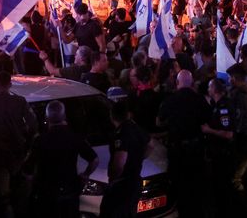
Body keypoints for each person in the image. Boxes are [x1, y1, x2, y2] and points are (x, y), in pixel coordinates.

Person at [26, 101, 98, 218]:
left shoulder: (40, 140)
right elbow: (94, 160)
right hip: (69, 193)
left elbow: (28, 171)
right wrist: (85, 175)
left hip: (46, 195)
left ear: (47, 118)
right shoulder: (74, 137)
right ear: (64, 116)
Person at [0, 71, 38, 218]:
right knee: (20, 187)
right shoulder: (20, 102)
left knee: (0, 191)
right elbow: (33, 124)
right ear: (10, 85)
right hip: (18, 151)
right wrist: (27, 142)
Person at [156, 70, 211, 218]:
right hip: (196, 149)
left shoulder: (170, 100)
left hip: (177, 150)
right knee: (195, 184)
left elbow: (159, 121)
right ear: (192, 83)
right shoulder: (199, 100)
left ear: (177, 83)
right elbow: (208, 119)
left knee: (179, 185)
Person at [101, 100, 150, 218]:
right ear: (128, 114)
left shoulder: (121, 133)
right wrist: (137, 158)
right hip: (135, 182)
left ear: (112, 116)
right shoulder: (136, 128)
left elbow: (119, 163)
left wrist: (112, 180)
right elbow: (151, 144)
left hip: (122, 185)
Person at [201, 78, 236, 216]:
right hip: (218, 154)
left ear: (215, 90)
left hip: (224, 155)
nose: (208, 90)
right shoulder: (216, 105)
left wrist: (209, 131)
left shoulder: (223, 108)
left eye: (210, 87)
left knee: (224, 187)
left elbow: (228, 134)